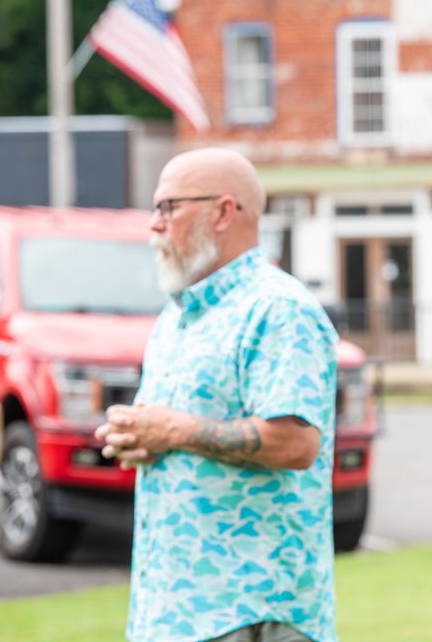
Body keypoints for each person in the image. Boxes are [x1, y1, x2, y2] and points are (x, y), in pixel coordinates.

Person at [95, 148, 339, 642]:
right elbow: (178, 430)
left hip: (252, 612)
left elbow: (296, 444)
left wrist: (175, 430)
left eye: (168, 208)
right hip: (172, 612)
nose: (153, 225)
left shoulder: (278, 309)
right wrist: (141, 438)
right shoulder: (178, 315)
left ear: (223, 212)